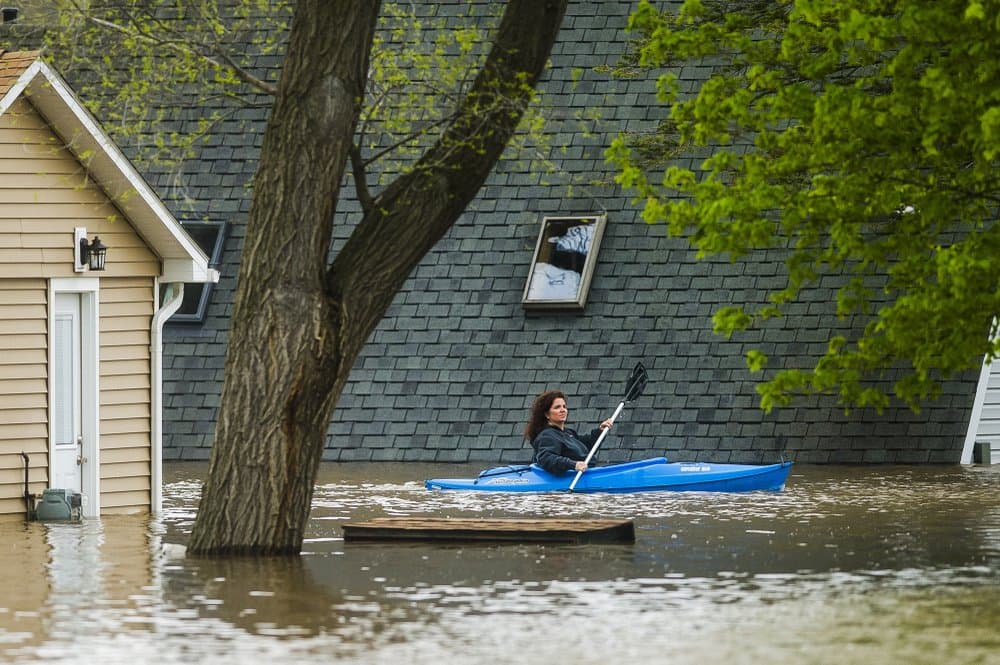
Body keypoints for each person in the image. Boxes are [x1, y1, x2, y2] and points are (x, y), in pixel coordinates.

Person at [524, 390, 613, 474]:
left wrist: (601, 431)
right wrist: (574, 465)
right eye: (557, 407)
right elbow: (546, 458)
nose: (563, 410)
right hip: (567, 478)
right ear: (547, 414)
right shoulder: (547, 436)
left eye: (564, 406)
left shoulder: (568, 433)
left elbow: (585, 448)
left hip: (586, 474)